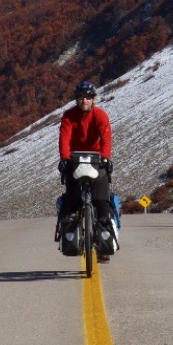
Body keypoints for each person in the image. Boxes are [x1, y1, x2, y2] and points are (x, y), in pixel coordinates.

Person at [57, 81, 114, 250]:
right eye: (81, 98)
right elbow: (64, 138)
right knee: (72, 198)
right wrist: (65, 158)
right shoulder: (68, 116)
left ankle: (104, 239)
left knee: (101, 199)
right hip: (74, 159)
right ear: (76, 99)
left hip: (96, 159)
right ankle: (73, 229)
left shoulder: (100, 115)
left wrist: (105, 157)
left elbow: (106, 138)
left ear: (93, 99)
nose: (84, 101)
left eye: (88, 98)